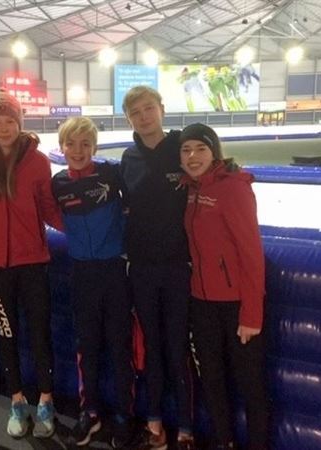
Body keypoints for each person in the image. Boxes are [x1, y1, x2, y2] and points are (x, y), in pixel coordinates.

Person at [0, 89, 63, 439]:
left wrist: (86, 230)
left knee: (39, 332)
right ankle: (17, 400)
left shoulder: (37, 161)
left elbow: (49, 208)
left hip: (32, 262)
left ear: (20, 123)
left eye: (10, 121)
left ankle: (46, 400)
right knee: (6, 334)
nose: (4, 128)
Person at [179, 123, 269, 450]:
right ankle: (224, 442)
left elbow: (251, 254)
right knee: (212, 381)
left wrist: (251, 314)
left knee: (251, 386)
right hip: (202, 303)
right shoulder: (189, 189)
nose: (193, 156)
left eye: (200, 149)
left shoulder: (234, 188)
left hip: (236, 306)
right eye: (186, 150)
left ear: (214, 152)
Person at [51, 117, 136, 448]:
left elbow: (134, 206)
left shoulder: (111, 173)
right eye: (71, 144)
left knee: (119, 345)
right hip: (82, 273)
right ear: (62, 148)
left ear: (95, 147)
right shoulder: (58, 183)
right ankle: (91, 413)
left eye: (85, 144)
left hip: (114, 271)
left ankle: (125, 416)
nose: (78, 150)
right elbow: (50, 213)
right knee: (86, 346)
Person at [120, 85, 195, 450]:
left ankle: (186, 429)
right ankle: (154, 424)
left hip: (178, 267)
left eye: (149, 108)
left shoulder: (183, 148)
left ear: (162, 110)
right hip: (143, 270)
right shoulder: (128, 158)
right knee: (150, 346)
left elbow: (212, 172)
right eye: (136, 112)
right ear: (129, 120)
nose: (144, 117)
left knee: (178, 346)